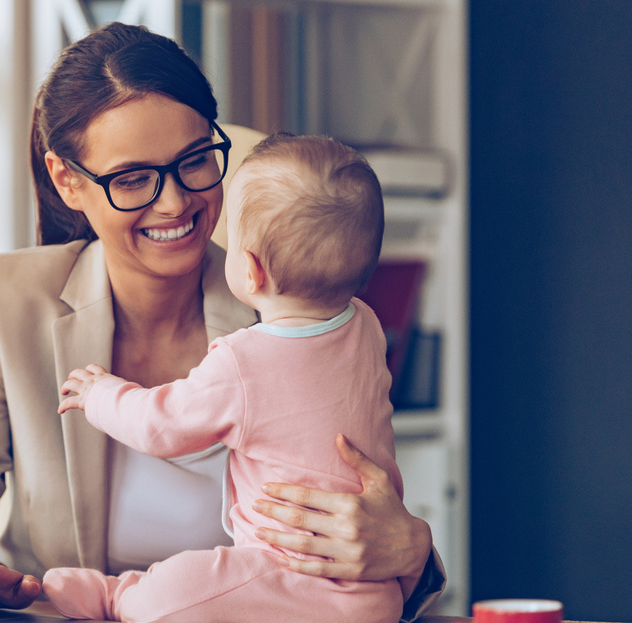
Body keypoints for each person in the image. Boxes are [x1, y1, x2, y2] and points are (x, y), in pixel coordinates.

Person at [0, 21, 444, 621]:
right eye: (133, 178)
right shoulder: (5, 301)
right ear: (68, 181)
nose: (175, 202)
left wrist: (412, 548)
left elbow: (365, 500)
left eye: (194, 161)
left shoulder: (294, 304)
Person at [41, 133, 402, 622]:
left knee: (183, 584)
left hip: (284, 569)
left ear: (249, 271)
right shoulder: (366, 327)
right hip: (374, 594)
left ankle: (118, 597)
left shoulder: (245, 360)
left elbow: (159, 425)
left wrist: (101, 392)